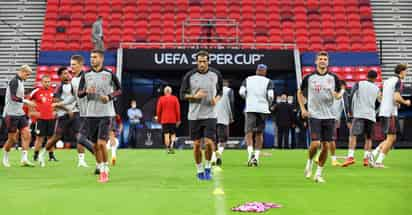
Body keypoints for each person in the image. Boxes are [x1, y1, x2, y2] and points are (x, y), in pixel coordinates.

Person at [298, 51, 344, 183]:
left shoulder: (334, 77)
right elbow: (300, 92)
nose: (323, 61)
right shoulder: (309, 77)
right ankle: (309, 162)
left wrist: (338, 95)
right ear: (316, 62)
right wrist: (303, 108)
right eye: (320, 59)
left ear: (328, 62)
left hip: (329, 115)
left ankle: (318, 174)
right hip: (314, 114)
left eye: (325, 59)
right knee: (315, 144)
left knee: (326, 146)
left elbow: (340, 91)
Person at [78, 49, 122, 182]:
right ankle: (101, 167)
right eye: (91, 57)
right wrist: (86, 91)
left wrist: (109, 97)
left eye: (95, 57)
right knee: (95, 146)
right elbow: (79, 93)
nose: (92, 59)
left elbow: (119, 90)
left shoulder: (109, 74)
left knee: (102, 143)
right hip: (91, 114)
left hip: (106, 113)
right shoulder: (86, 75)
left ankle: (105, 171)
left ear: (101, 59)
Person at [180, 50, 223, 180]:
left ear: (208, 61)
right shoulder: (190, 76)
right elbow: (182, 95)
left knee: (210, 143)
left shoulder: (216, 74)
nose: (202, 64)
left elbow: (220, 91)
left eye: (204, 61)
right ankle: (199, 171)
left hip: (210, 114)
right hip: (194, 116)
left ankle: (208, 168)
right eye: (200, 62)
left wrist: (217, 98)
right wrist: (194, 96)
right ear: (196, 62)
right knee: (197, 145)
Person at [369, 64, 410, 168]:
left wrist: (393, 102)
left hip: (384, 111)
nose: (407, 73)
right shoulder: (399, 81)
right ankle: (378, 161)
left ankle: (373, 154)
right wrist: (405, 102)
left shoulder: (387, 81)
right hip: (390, 113)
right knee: (391, 139)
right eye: (406, 71)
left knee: (391, 138)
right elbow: (396, 97)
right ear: (401, 71)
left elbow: (381, 97)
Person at [38, 67, 76, 167]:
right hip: (63, 115)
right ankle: (43, 154)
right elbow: (55, 102)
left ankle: (81, 160)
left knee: (79, 136)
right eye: (64, 73)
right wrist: (67, 110)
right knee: (56, 137)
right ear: (60, 76)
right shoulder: (59, 87)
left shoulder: (74, 85)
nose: (67, 75)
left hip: (75, 114)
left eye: (68, 73)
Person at [341, 70, 381, 167]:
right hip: (371, 115)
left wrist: (350, 110)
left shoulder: (359, 83)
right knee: (368, 138)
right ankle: (366, 159)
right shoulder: (377, 88)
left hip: (359, 114)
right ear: (375, 79)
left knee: (353, 135)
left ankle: (350, 157)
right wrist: (375, 112)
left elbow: (351, 95)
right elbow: (380, 102)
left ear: (366, 76)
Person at [239, 64, 274, 167]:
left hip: (250, 108)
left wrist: (248, 99)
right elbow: (271, 96)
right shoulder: (268, 81)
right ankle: (257, 158)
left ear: (256, 70)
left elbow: (241, 92)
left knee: (248, 132)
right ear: (265, 71)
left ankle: (250, 156)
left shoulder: (248, 79)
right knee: (259, 133)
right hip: (263, 109)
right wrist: (268, 104)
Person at [2, 64, 36, 167]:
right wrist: (27, 101)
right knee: (12, 139)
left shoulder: (21, 81)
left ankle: (24, 159)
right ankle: (5, 157)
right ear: (22, 72)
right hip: (10, 113)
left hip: (20, 113)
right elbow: (13, 97)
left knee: (27, 134)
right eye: (27, 74)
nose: (28, 77)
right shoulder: (14, 81)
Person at [70, 55, 96, 168]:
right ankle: (97, 161)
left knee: (82, 138)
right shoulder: (73, 80)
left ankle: (99, 159)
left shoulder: (87, 78)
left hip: (92, 113)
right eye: (71, 64)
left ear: (81, 65)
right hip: (82, 113)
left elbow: (93, 92)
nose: (72, 67)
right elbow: (74, 97)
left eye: (74, 64)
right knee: (82, 138)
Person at [29, 75, 58, 162]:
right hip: (41, 119)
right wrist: (33, 112)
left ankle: (51, 156)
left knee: (51, 138)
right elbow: (29, 101)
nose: (47, 83)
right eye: (45, 82)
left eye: (48, 81)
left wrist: (55, 111)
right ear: (42, 82)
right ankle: (36, 155)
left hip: (51, 119)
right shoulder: (36, 91)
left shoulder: (53, 91)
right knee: (39, 138)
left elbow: (56, 102)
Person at [212, 80, 234, 166]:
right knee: (223, 139)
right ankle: (219, 153)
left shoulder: (212, 90)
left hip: (212, 118)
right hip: (223, 118)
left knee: (214, 139)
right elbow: (231, 103)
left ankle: (213, 157)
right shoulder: (229, 91)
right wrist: (231, 117)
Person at [156, 86, 181, 154]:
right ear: (171, 91)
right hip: (173, 120)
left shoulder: (161, 99)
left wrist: (158, 119)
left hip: (164, 120)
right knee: (173, 134)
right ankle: (172, 146)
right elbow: (178, 110)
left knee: (166, 134)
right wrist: (178, 119)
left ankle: (167, 149)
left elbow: (158, 110)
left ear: (164, 91)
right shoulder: (175, 98)